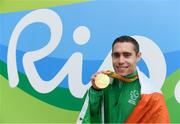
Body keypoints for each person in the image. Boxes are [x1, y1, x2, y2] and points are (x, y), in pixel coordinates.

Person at [78, 35, 169, 123]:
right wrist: (95, 90)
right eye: (116, 55)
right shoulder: (104, 85)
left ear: (138, 56)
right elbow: (91, 115)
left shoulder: (151, 93)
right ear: (112, 56)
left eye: (127, 55)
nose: (121, 61)